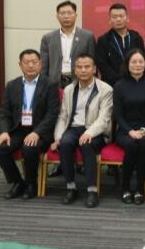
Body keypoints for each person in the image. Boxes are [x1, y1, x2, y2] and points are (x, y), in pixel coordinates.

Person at [0, 49, 59, 200]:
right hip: (19, 129)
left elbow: (52, 114)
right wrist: (4, 132)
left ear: (40, 64)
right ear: (20, 65)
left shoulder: (50, 85)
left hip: (40, 131)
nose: (30, 66)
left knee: (29, 148)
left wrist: (37, 132)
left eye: (34, 62)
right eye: (26, 62)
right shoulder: (12, 85)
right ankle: (17, 182)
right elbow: (4, 112)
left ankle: (31, 184)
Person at [51, 53, 113, 208]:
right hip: (73, 128)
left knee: (87, 144)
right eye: (79, 67)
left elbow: (104, 119)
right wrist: (58, 137)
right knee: (65, 144)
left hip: (96, 130)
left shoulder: (105, 89)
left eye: (87, 67)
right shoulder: (69, 89)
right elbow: (63, 116)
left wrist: (89, 133)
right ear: (75, 70)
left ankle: (92, 190)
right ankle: (71, 188)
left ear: (94, 69)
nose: (83, 70)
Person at [112, 49, 145, 205]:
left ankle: (140, 188)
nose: (138, 65)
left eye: (141, 61)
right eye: (134, 62)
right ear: (127, 64)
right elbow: (118, 114)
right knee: (132, 145)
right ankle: (125, 188)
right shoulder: (119, 85)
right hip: (126, 130)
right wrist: (130, 131)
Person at [40, 0, 95, 88]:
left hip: (80, 82)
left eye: (69, 13)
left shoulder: (87, 36)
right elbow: (43, 65)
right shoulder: (48, 38)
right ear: (57, 16)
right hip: (55, 83)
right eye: (62, 13)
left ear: (75, 15)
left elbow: (93, 62)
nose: (66, 16)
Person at [95, 3, 145, 86]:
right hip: (112, 85)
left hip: (136, 82)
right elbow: (103, 65)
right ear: (109, 20)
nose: (118, 19)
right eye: (114, 17)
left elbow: (143, 58)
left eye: (121, 16)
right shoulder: (103, 40)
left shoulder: (136, 37)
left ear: (127, 18)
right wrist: (119, 81)